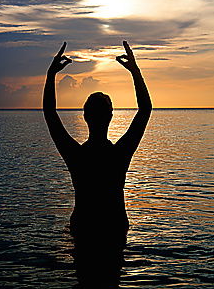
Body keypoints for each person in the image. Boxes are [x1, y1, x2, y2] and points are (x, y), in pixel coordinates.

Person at [43, 40, 152, 287]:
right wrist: (135, 71)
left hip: (84, 227)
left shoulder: (76, 156)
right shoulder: (119, 154)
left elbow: (50, 113)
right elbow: (145, 109)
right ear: (111, 116)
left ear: (84, 116)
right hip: (114, 227)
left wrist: (51, 76)